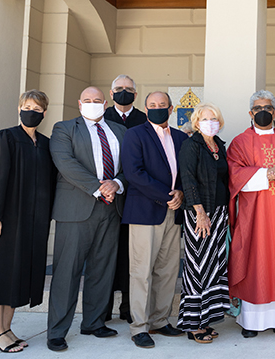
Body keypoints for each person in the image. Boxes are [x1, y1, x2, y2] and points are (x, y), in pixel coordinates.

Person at [47, 86, 126, 351]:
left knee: (102, 269)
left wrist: (116, 183)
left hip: (111, 209)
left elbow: (130, 166)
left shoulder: (120, 131)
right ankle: (57, 330)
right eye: (87, 101)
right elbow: (65, 163)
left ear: (105, 104)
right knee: (66, 272)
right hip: (76, 209)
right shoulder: (64, 129)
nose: (93, 104)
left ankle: (93, 322)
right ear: (80, 104)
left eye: (97, 101)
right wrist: (98, 187)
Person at [0, 90, 56, 353]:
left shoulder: (45, 144)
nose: (30, 111)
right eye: (26, 106)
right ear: (19, 109)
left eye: (36, 108)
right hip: (7, 220)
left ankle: (6, 329)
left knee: (18, 275)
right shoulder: (6, 138)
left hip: (34, 223)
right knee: (0, 273)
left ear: (44, 113)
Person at [227, 90, 275, 338]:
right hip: (254, 217)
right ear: (251, 113)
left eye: (269, 107)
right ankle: (251, 323)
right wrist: (264, 174)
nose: (264, 111)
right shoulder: (239, 142)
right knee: (255, 262)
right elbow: (234, 174)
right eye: (259, 108)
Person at [121, 91, 187, 348]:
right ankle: (139, 326)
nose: (157, 108)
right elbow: (134, 173)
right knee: (141, 271)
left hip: (174, 212)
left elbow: (184, 171)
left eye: (162, 105)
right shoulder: (135, 135)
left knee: (168, 270)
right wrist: (167, 195)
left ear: (171, 109)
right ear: (145, 109)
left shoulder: (181, 137)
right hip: (145, 212)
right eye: (152, 105)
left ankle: (160, 321)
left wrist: (180, 192)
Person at [177, 103, 231, 343]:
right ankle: (192, 324)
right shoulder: (191, 145)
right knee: (198, 266)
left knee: (214, 266)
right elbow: (188, 180)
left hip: (219, 213)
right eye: (206, 118)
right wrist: (200, 212)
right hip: (201, 214)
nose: (211, 122)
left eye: (215, 118)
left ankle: (206, 319)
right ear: (197, 122)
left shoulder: (219, 145)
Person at [103, 74, 146, 324]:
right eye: (119, 88)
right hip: (107, 198)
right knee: (107, 254)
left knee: (133, 256)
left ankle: (129, 308)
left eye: (129, 89)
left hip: (136, 198)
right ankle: (103, 307)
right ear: (111, 94)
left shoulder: (144, 120)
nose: (123, 92)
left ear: (136, 95)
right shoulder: (102, 119)